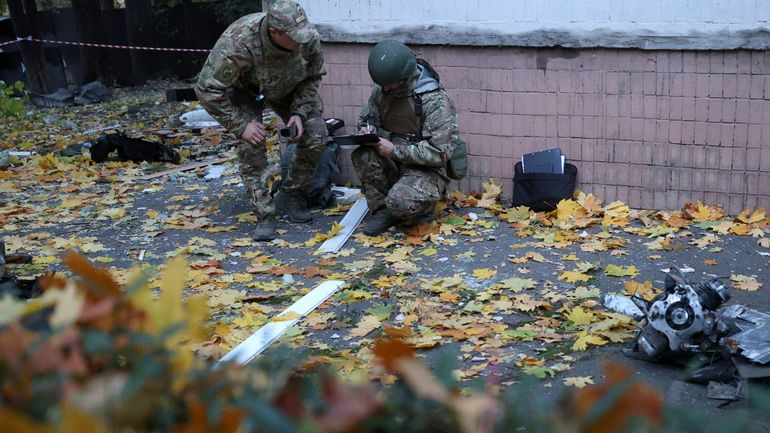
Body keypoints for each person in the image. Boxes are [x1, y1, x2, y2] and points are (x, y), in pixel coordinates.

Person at [195, 0, 327, 241]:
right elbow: (206, 89)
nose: (301, 40)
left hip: (288, 87)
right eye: (293, 36)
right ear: (273, 32)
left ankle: (292, 195)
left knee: (315, 131)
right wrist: (240, 125)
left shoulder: (306, 37)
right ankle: (264, 213)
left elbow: (313, 77)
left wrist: (298, 112)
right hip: (244, 91)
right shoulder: (237, 43)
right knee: (251, 144)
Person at [353, 40, 465, 236]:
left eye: (389, 84)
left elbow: (439, 153)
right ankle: (383, 212)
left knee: (399, 202)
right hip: (394, 161)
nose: (385, 88)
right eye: (383, 85)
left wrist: (395, 150)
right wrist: (367, 129)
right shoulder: (382, 91)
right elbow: (367, 118)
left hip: (426, 170)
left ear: (404, 77)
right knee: (362, 155)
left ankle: (418, 208)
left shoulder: (434, 100)